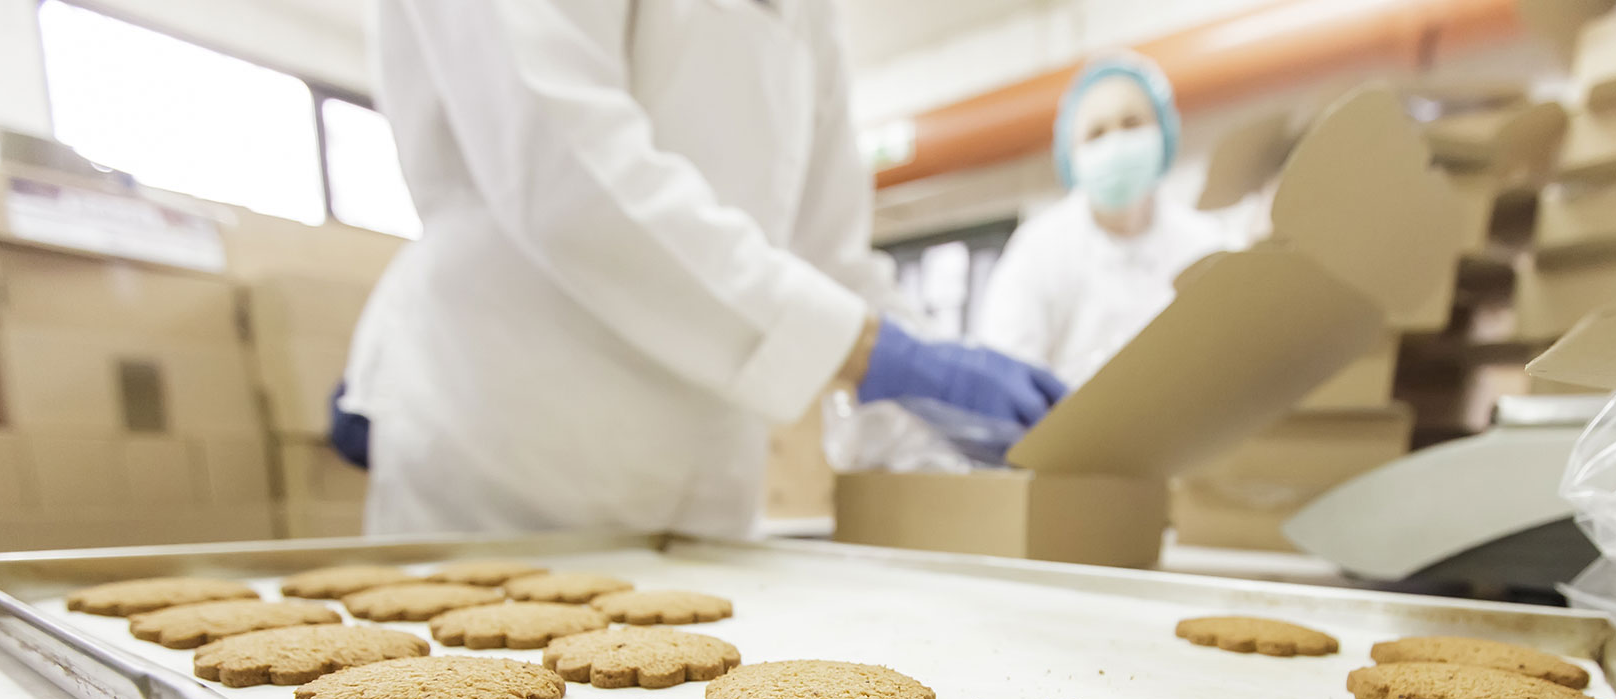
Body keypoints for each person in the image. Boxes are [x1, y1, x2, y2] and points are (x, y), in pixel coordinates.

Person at [341, 0, 1066, 535]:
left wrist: (937, 397)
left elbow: (829, 258)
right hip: (514, 452)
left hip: (702, 478)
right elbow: (571, 178)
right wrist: (874, 351)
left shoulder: (812, 16)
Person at [977, 53, 1244, 388]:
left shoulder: (1210, 246)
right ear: (1072, 154)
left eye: (1131, 123)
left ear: (1162, 131)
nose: (1115, 143)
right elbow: (1004, 378)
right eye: (1096, 133)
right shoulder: (1037, 252)